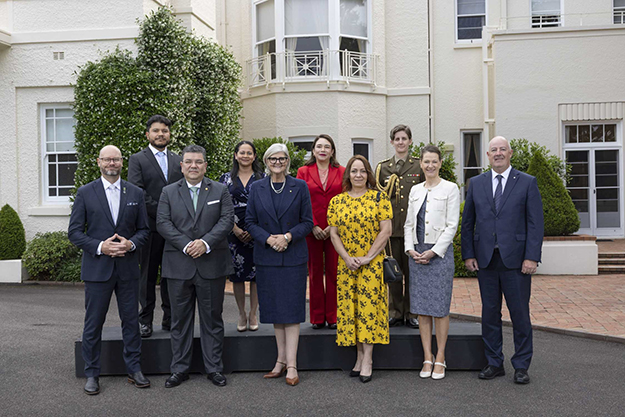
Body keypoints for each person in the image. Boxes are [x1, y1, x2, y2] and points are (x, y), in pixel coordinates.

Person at [68, 145, 151, 395]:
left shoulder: (135, 192)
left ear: (122, 162)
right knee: (93, 323)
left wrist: (131, 243)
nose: (111, 163)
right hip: (97, 270)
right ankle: (92, 373)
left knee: (131, 322)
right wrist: (100, 246)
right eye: (107, 159)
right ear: (98, 162)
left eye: (116, 159)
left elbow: (145, 231)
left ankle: (134, 368)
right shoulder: (85, 193)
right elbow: (74, 233)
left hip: (127, 269)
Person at [461, 136, 544, 385]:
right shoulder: (476, 183)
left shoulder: (527, 183)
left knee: (519, 315)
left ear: (510, 154)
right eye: (493, 150)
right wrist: (468, 254)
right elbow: (468, 223)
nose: (498, 153)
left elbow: (535, 224)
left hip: (517, 262)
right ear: (487, 155)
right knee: (489, 314)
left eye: (502, 150)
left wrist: (531, 257)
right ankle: (494, 362)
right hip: (486, 260)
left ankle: (521, 365)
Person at [156, 145, 235, 388]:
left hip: (211, 264)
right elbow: (163, 223)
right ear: (181, 166)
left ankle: (214, 369)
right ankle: (179, 369)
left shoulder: (220, 190)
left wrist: (205, 243)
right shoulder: (168, 192)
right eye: (188, 162)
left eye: (198, 162)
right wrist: (187, 244)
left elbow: (227, 220)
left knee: (212, 319)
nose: (193, 166)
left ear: (205, 166)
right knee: (180, 321)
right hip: (179, 265)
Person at [245, 143, 314, 387]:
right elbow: (250, 222)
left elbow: (307, 222)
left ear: (287, 162)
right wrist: (268, 239)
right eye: (273, 159)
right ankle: (280, 360)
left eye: (282, 159)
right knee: (275, 310)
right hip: (267, 256)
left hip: (293, 255)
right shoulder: (256, 188)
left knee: (292, 311)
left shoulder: (300, 186)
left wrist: (286, 237)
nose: (278, 162)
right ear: (266, 161)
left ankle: (292, 364)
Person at [327, 155, 393, 383]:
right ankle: (358, 356)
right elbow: (333, 234)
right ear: (348, 175)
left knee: (369, 311)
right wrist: (346, 257)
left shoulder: (379, 198)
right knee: (352, 310)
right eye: (354, 171)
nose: (358, 175)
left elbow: (386, 231)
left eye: (362, 171)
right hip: (347, 265)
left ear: (368, 174)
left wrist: (367, 257)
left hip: (371, 264)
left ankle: (368, 360)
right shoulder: (337, 201)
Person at [404, 145, 460, 380]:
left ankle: (440, 357)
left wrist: (434, 252)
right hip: (417, 254)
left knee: (439, 309)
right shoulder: (416, 190)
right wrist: (410, 249)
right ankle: (427, 356)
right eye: (426, 161)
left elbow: (452, 225)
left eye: (434, 161)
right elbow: (408, 224)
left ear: (440, 163)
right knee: (422, 310)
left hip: (439, 255)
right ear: (421, 163)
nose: (430, 165)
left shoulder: (451, 188)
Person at [128, 114, 183, 338]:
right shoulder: (137, 159)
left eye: (165, 131)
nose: (161, 134)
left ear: (169, 134)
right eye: (156, 130)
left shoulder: (178, 159)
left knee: (172, 276)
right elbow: (137, 190)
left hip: (174, 230)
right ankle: (145, 320)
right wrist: (162, 213)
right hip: (149, 227)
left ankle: (170, 319)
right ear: (148, 134)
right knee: (148, 276)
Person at [375, 124, 424, 328]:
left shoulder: (418, 165)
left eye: (404, 138)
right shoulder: (383, 167)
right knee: (393, 272)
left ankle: (412, 312)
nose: (401, 142)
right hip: (392, 228)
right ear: (392, 142)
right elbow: (377, 197)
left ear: (410, 141)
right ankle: (395, 311)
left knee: (412, 273)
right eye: (397, 139)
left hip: (412, 229)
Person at [297, 134, 345, 330]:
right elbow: (300, 200)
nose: (323, 150)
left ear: (332, 151)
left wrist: (332, 226)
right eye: (319, 146)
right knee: (315, 273)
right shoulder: (303, 171)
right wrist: (314, 225)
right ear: (313, 150)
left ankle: (333, 316)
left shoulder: (342, 171)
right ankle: (317, 317)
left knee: (335, 273)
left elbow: (345, 199)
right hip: (312, 230)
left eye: (327, 146)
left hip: (336, 230)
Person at [219, 141, 265, 332]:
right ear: (236, 155)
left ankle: (253, 313)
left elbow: (269, 206)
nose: (245, 156)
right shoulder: (225, 179)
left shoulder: (263, 177)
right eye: (242, 152)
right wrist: (235, 229)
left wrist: (256, 230)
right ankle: (241, 313)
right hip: (233, 232)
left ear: (254, 156)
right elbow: (220, 206)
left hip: (259, 231)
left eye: (249, 153)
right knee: (237, 276)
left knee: (256, 277)